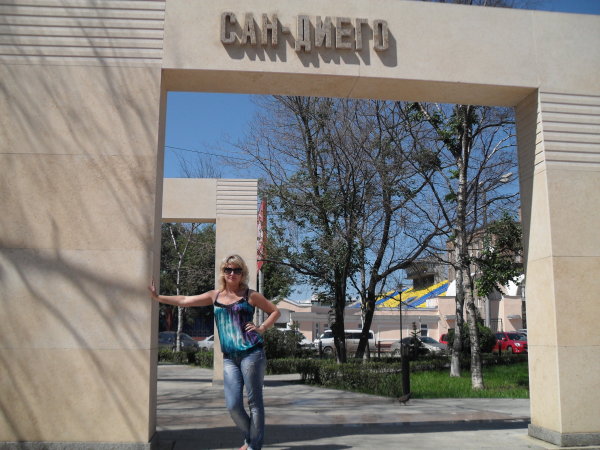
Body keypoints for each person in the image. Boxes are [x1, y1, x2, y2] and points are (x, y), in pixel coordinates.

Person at [149, 254, 280, 450]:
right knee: (233, 405)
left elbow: (275, 311)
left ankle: (254, 446)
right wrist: (158, 297)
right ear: (223, 272)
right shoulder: (215, 296)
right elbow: (185, 300)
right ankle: (250, 438)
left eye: (237, 270)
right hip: (229, 358)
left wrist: (261, 328)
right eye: (228, 269)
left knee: (254, 403)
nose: (232, 273)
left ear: (242, 273)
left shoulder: (250, 295)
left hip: (251, 353)